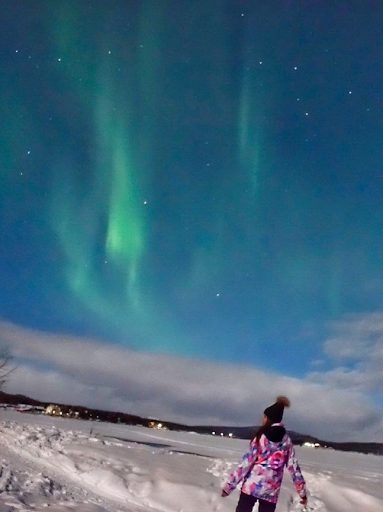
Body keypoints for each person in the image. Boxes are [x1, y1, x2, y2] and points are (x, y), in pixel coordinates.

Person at [221, 396, 307, 512]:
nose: (263, 419)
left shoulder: (260, 437)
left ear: (269, 419)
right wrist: (302, 492)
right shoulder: (286, 441)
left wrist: (229, 486)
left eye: (265, 417)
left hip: (251, 487)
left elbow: (246, 463)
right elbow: (294, 468)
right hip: (271, 492)